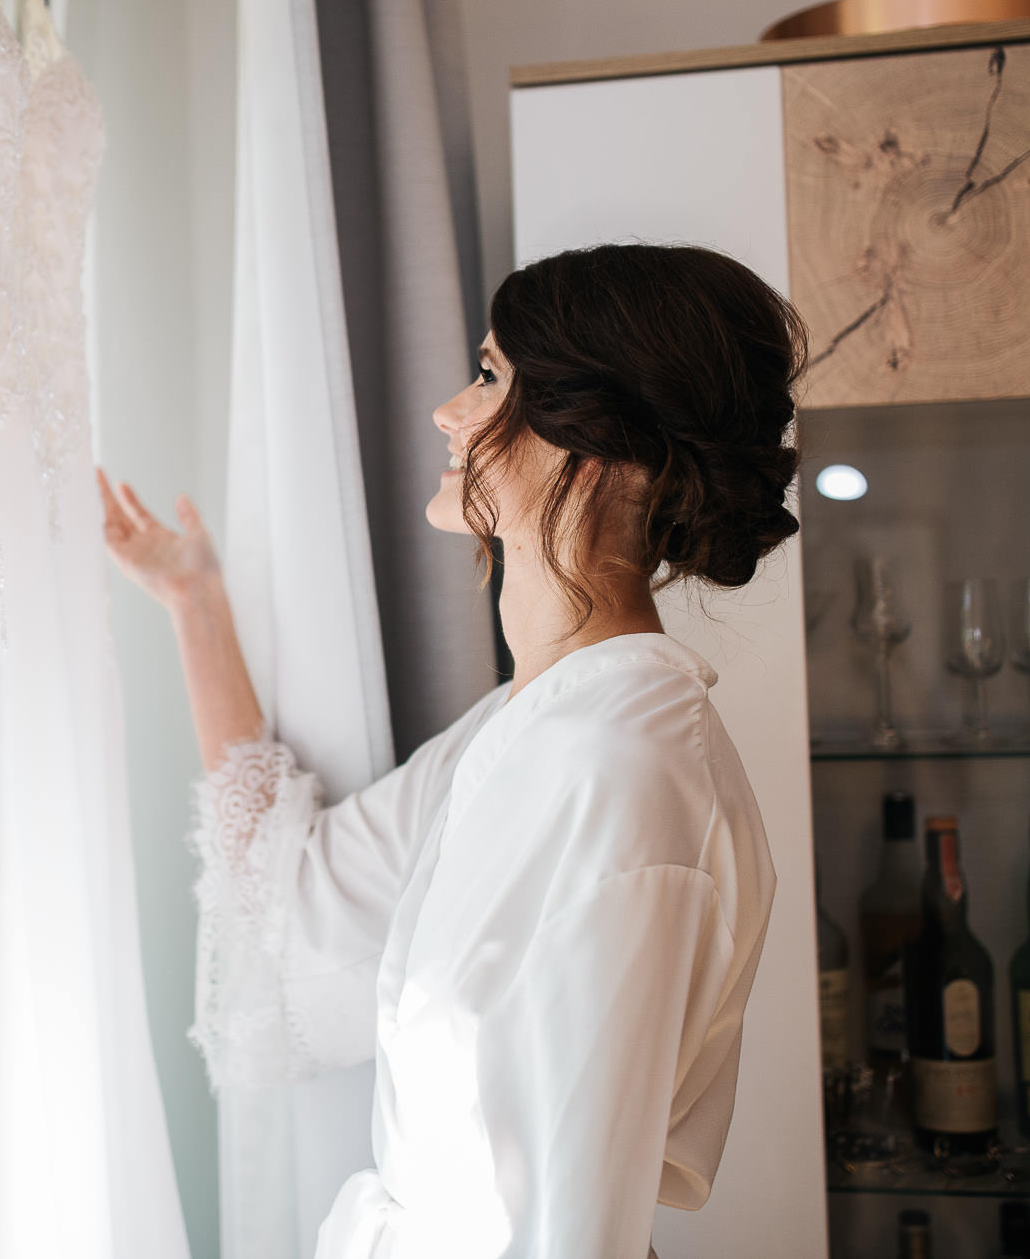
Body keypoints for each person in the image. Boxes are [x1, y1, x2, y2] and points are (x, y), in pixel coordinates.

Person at [100, 243, 805, 1258]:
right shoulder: (520, 732)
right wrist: (193, 602)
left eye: (488, 377)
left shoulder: (623, 776)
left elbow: (569, 1229)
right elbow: (289, 909)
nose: (448, 410)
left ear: (591, 440)